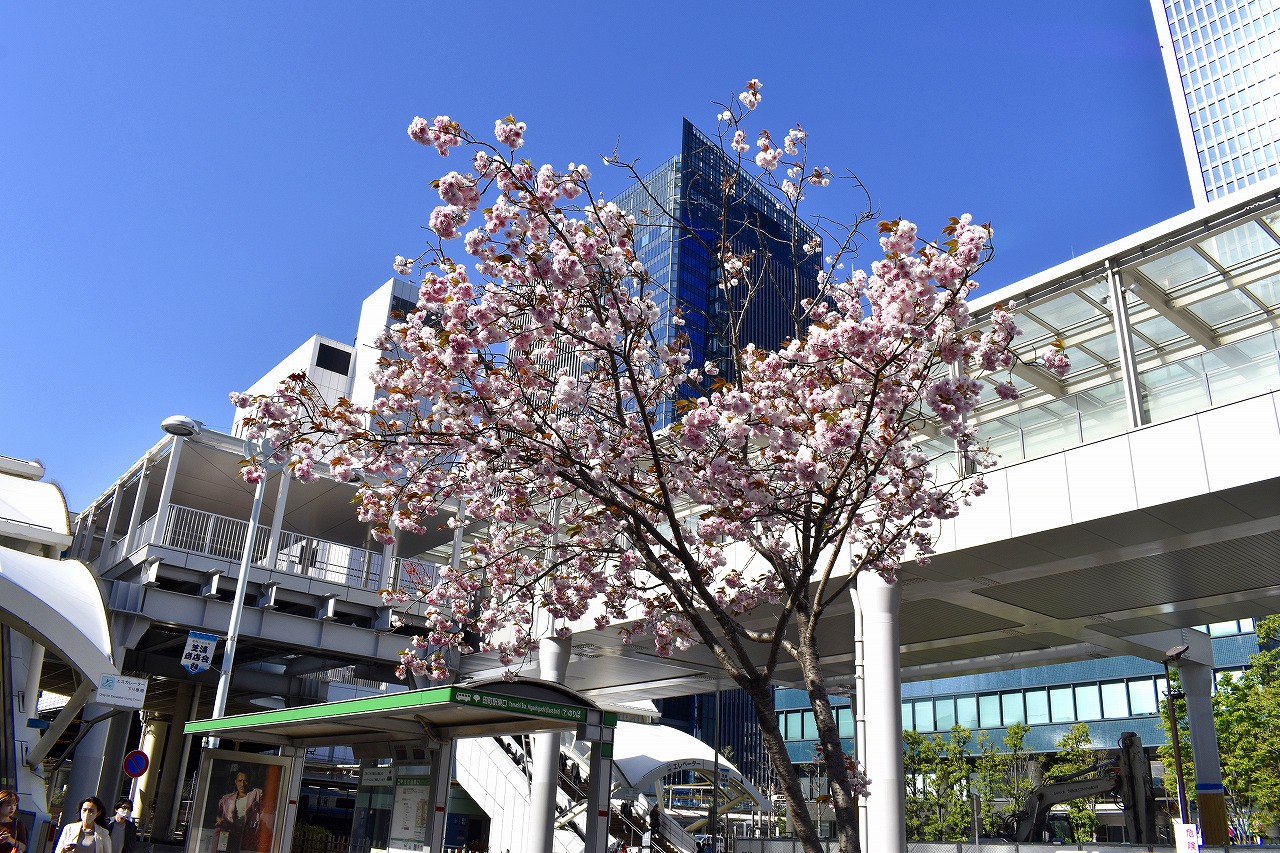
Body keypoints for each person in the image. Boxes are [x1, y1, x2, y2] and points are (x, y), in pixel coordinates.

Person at [214, 771, 263, 853]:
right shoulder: (226, 799)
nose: (242, 784)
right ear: (235, 781)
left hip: (246, 836)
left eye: (245, 781)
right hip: (228, 835)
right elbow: (218, 817)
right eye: (240, 781)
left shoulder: (255, 794)